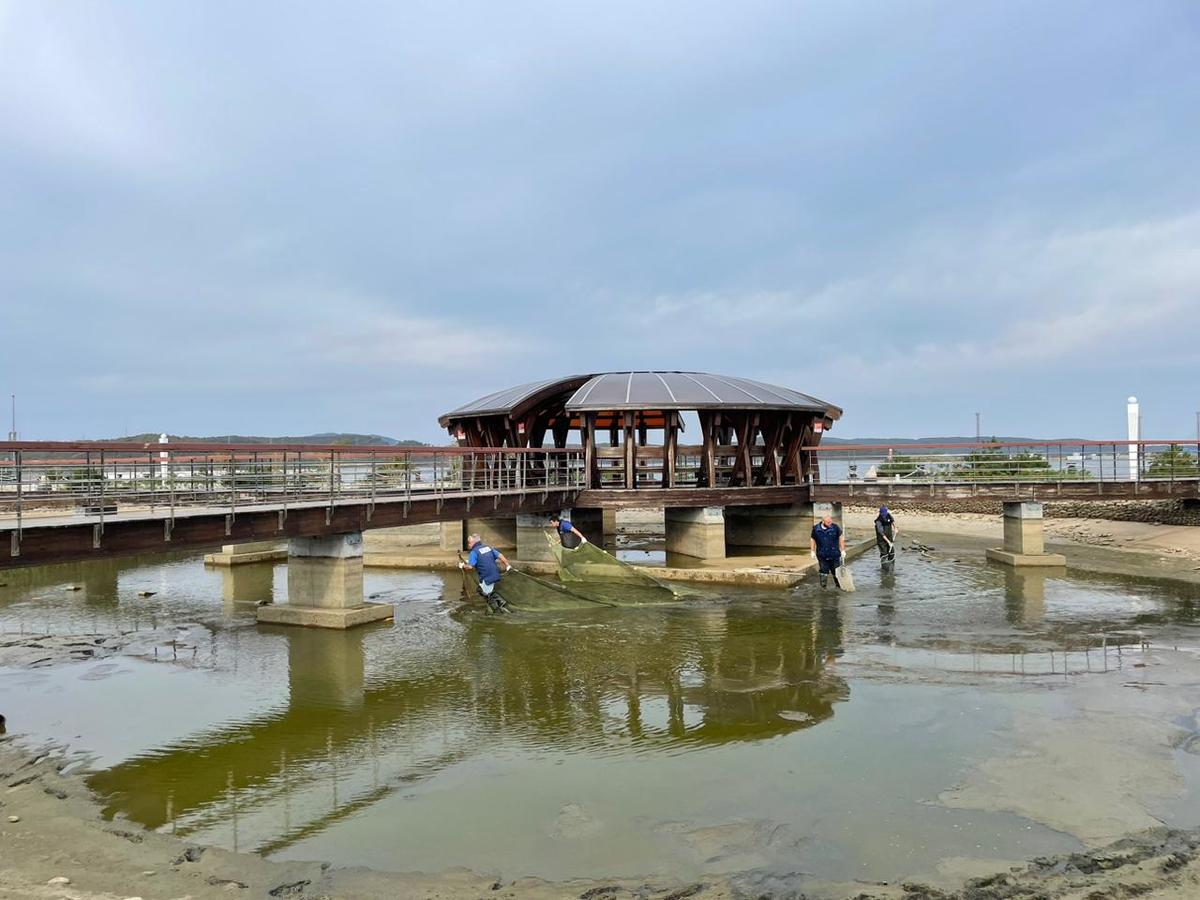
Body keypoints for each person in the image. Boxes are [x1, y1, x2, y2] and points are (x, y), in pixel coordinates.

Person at [458, 533, 513, 613]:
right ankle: (499, 604)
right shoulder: (488, 547)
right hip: (495, 574)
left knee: (482, 591)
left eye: (469, 542)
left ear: (473, 542)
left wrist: (462, 566)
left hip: (486, 577)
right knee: (487, 592)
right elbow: (500, 555)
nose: (468, 544)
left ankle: (497, 608)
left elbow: (470, 567)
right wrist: (507, 565)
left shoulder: (474, 552)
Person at [810, 512, 845, 588]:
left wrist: (842, 550)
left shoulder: (835, 527)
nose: (830, 523)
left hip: (834, 554)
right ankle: (823, 587)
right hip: (822, 555)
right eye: (828, 522)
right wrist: (812, 550)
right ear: (823, 522)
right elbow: (813, 539)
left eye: (831, 521)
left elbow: (841, 538)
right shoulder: (816, 529)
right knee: (823, 572)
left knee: (836, 572)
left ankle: (839, 586)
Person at [875, 506, 898, 571]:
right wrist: (888, 542)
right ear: (880, 513)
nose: (884, 515)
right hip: (882, 540)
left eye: (885, 513)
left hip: (889, 536)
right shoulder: (878, 522)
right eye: (883, 514)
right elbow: (882, 534)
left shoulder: (888, 515)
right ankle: (884, 570)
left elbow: (892, 521)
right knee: (884, 554)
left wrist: (895, 528)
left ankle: (891, 568)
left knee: (892, 553)